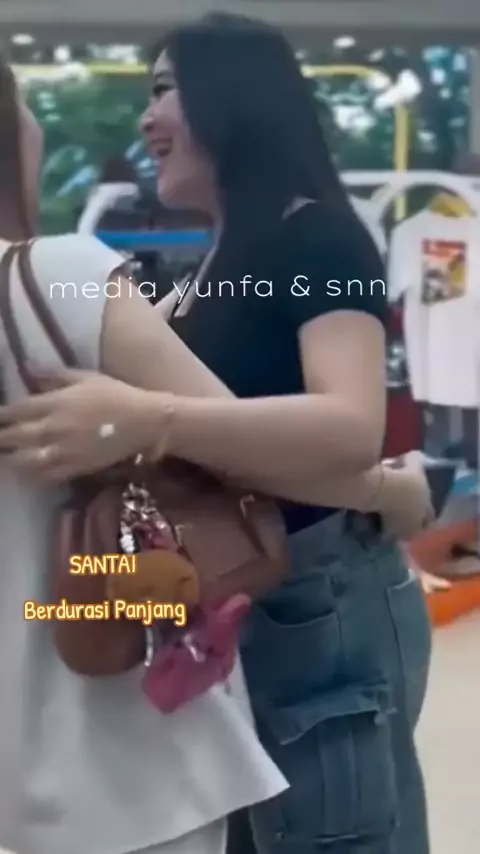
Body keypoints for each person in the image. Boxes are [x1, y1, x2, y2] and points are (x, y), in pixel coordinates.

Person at [0, 17, 433, 854]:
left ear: (234, 96)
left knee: (340, 833)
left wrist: (154, 420)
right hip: (242, 593)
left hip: (322, 595)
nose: (144, 120)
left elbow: (352, 425)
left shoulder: (318, 237)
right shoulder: (215, 264)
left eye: (163, 90)